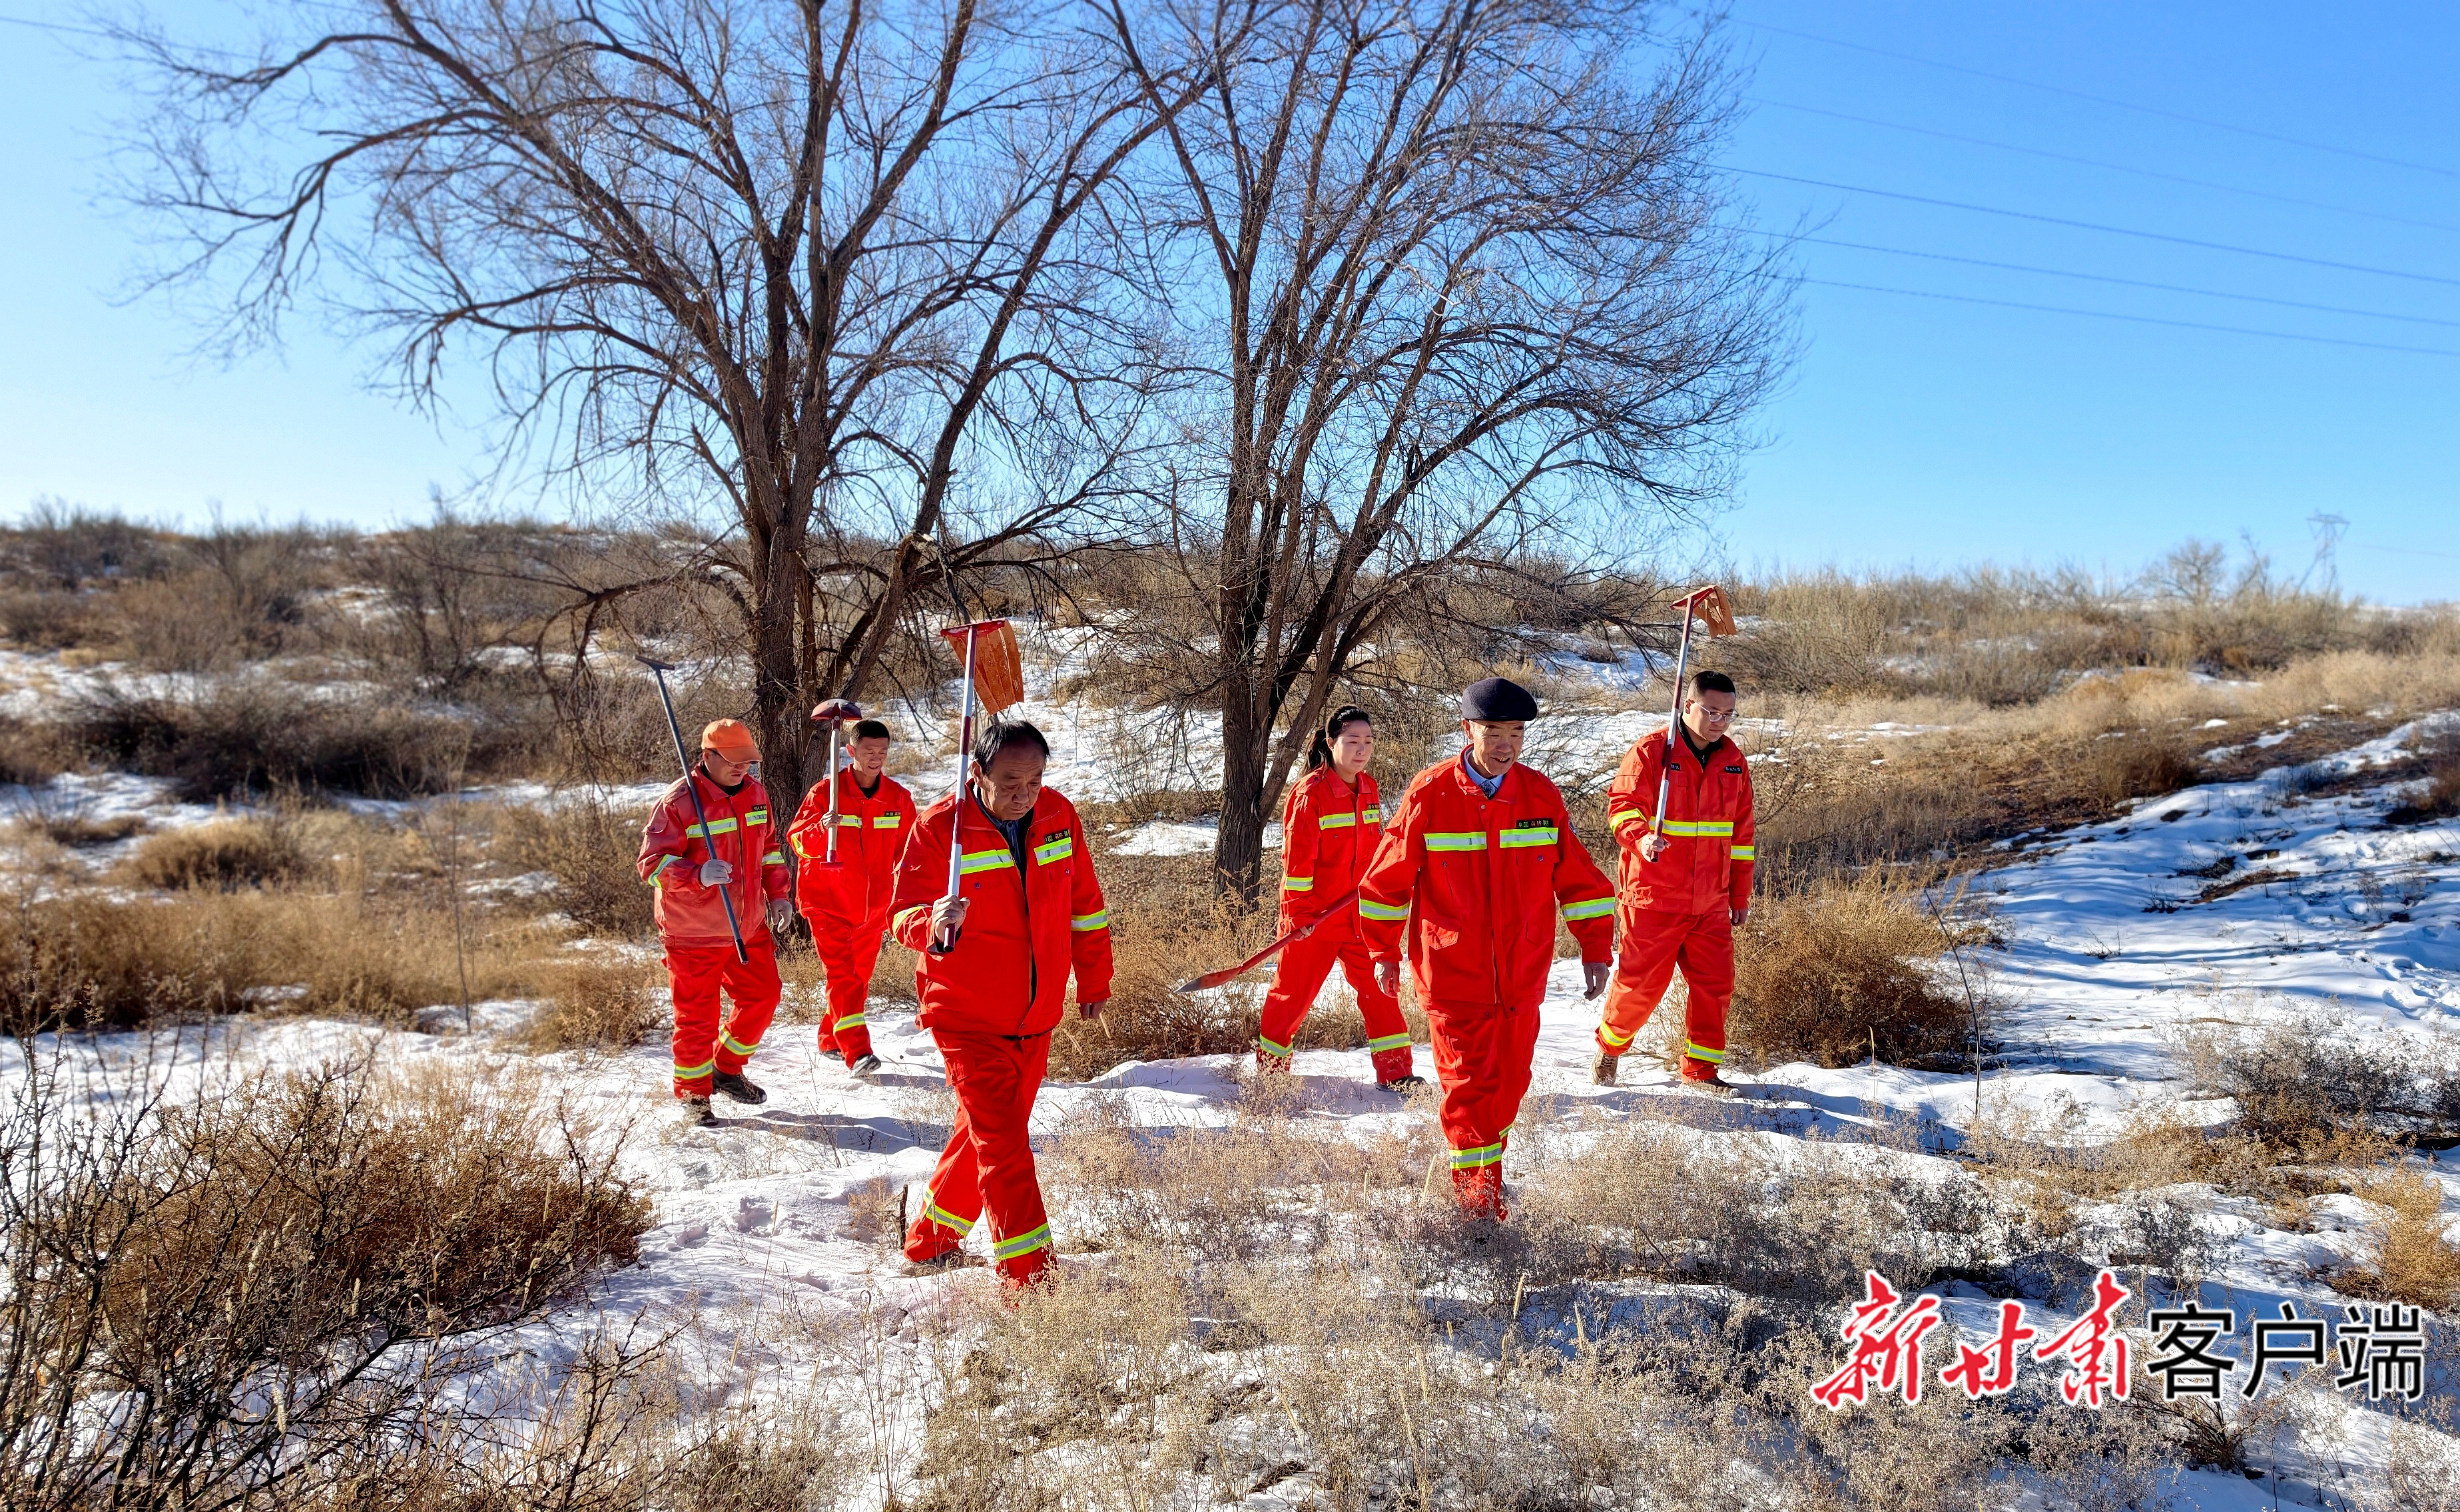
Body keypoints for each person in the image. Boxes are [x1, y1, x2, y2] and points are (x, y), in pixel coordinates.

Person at [1357, 678, 1616, 1218]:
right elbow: (1384, 884)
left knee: (1509, 1087)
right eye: (1493, 730)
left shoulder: (1540, 795)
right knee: (1471, 1093)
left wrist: (1595, 946)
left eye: (1516, 732)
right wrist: (1382, 952)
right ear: (1467, 729)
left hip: (1520, 981)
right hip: (1454, 979)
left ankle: (1478, 1172)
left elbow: (1580, 880)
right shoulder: (1430, 794)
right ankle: (1479, 1213)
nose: (1505, 743)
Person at [888, 718, 1111, 1288]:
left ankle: (930, 1240)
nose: (1025, 794)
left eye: (1035, 780)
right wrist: (929, 922)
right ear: (977, 772)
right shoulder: (941, 828)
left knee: (983, 1134)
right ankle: (1031, 1282)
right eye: (1011, 781)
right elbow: (901, 912)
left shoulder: (1059, 815)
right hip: (965, 1016)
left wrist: (1094, 978)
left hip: (1036, 1015)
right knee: (1006, 1148)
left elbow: (1084, 903)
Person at [1592, 669, 1754, 1095]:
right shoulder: (1651, 752)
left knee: (1715, 989)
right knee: (1639, 988)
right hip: (1653, 897)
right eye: (1711, 711)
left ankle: (1700, 1073)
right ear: (1688, 706)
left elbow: (1742, 836)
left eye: (1728, 714)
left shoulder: (1734, 761)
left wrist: (1739, 894)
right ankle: (1610, 1048)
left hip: (1712, 903)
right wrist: (1640, 837)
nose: (1720, 721)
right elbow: (1622, 805)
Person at [636, 718, 796, 1126]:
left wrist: (779, 895)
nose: (743, 768)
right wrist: (697, 874)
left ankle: (725, 1068)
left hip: (748, 926)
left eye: (748, 761)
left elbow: (772, 850)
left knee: (764, 997)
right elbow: (650, 864)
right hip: (694, 934)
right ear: (708, 756)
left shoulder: (756, 794)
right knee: (697, 1020)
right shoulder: (679, 803)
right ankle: (694, 1096)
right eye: (733, 761)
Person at [1254, 706, 1423, 1090]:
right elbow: (1297, 867)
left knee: (1381, 993)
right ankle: (1269, 1080)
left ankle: (1397, 1075)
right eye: (1352, 741)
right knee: (1291, 997)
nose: (1361, 750)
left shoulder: (1370, 789)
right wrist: (1299, 919)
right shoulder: (1309, 794)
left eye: (1368, 741)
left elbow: (1376, 850)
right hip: (1314, 920)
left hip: (1358, 915)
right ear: (1331, 744)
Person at [786, 712, 911, 1076]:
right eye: (869, 750)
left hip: (874, 908)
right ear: (850, 750)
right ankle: (857, 1052)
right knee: (843, 977)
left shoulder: (898, 798)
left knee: (859, 976)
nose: (876, 757)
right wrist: (821, 830)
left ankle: (830, 1037)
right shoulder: (826, 794)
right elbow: (796, 839)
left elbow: (908, 850)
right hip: (828, 902)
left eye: (883, 751)